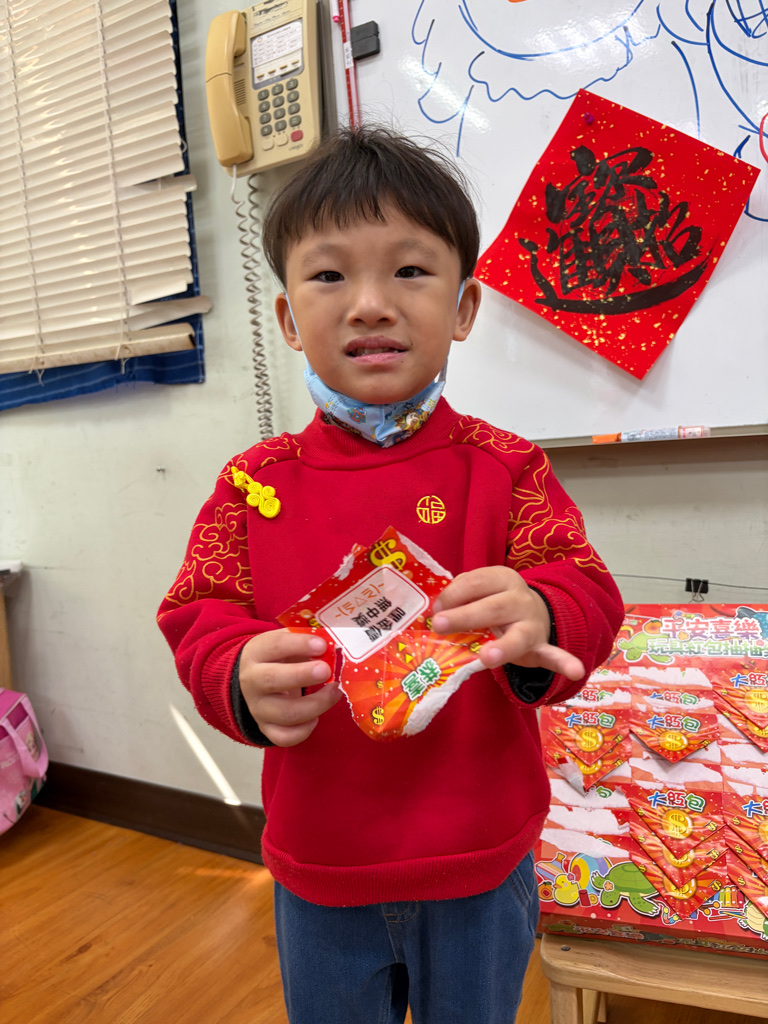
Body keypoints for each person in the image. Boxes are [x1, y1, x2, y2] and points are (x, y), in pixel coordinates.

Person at [157, 125, 624, 1024]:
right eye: (330, 276)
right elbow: (197, 614)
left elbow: (586, 585)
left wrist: (542, 609)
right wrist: (236, 672)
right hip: (322, 862)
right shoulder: (251, 485)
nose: (370, 305)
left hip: (482, 858)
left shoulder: (507, 467)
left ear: (465, 307)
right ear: (288, 320)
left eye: (410, 271)